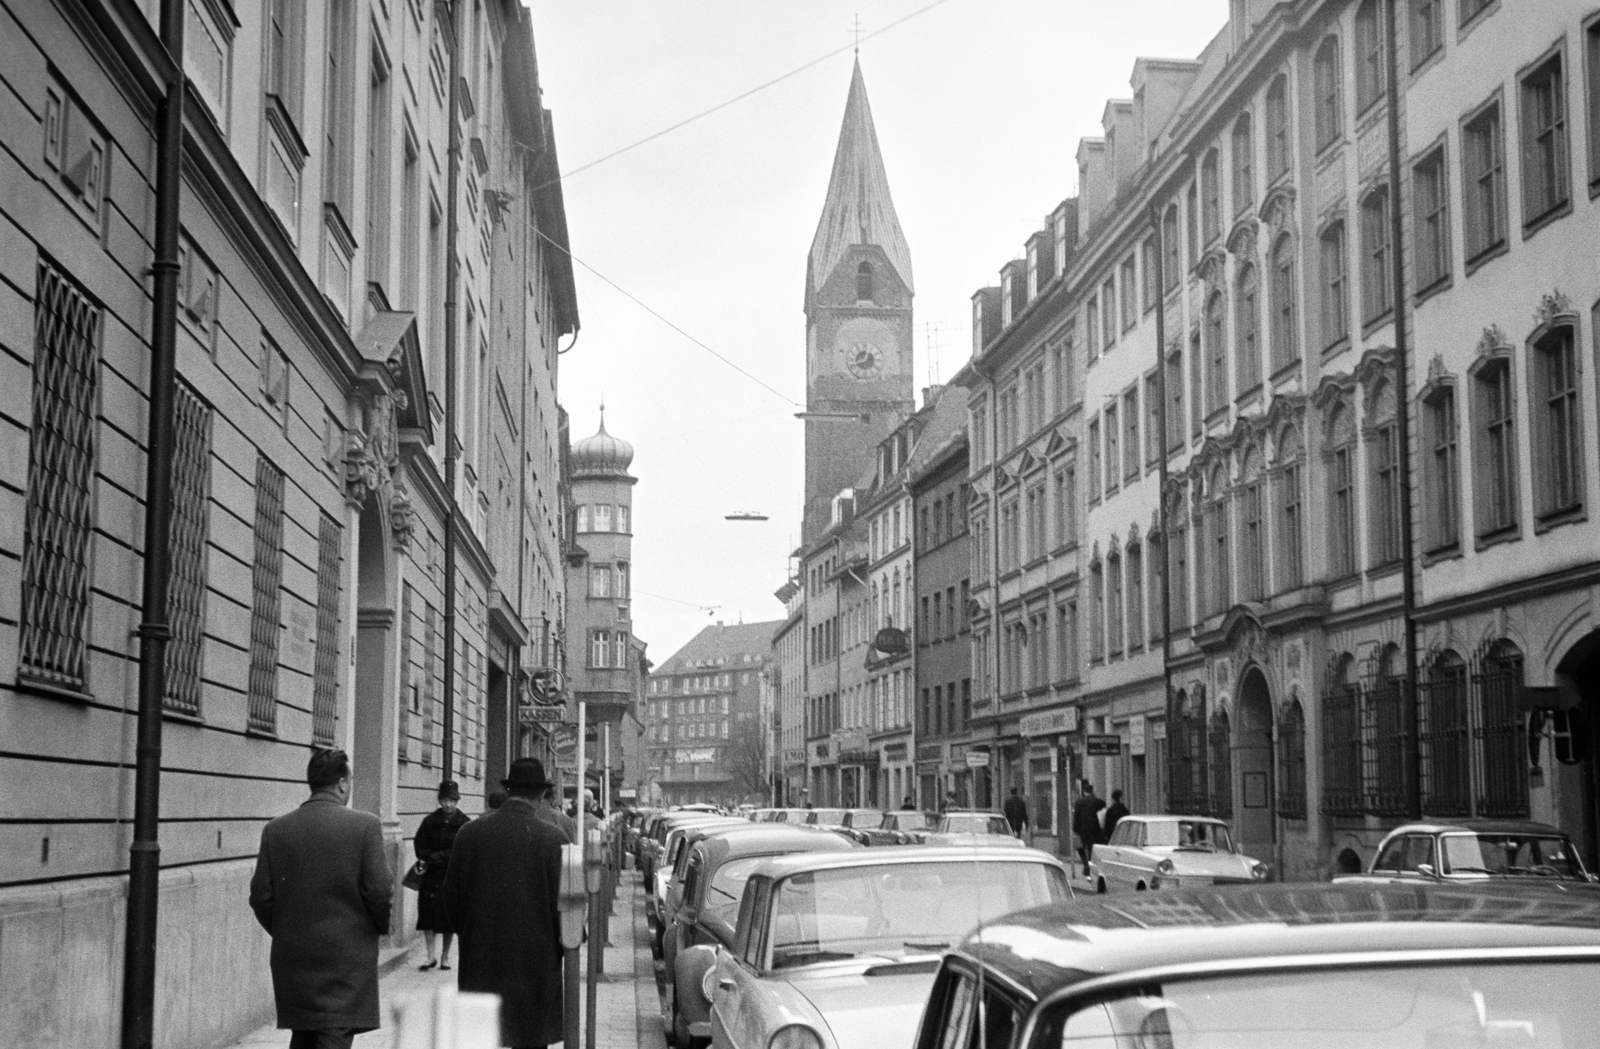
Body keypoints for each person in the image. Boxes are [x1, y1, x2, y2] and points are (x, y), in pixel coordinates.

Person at [248, 749, 391, 1049]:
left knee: (303, 1036)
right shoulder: (365, 826)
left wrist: (289, 931)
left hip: (294, 961)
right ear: (341, 783)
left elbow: (261, 897)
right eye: (350, 780)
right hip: (346, 960)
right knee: (333, 1036)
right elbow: (379, 891)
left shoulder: (276, 830)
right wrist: (375, 929)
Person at [444, 758, 566, 1049]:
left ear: (509, 791)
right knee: (530, 1040)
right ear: (540, 796)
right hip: (534, 964)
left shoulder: (469, 834)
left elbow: (451, 902)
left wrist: (472, 933)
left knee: (482, 1038)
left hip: (481, 960)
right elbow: (566, 913)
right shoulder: (554, 839)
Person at [414, 780, 470, 971]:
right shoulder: (429, 821)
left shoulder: (464, 823)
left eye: (452, 800)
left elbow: (464, 849)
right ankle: (430, 956)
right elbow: (419, 844)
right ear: (439, 800)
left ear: (457, 801)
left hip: (450, 876)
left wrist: (444, 856)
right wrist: (429, 856)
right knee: (428, 915)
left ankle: (445, 956)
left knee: (448, 917)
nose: (448, 804)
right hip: (431, 875)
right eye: (445, 800)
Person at [1070, 783, 1106, 875]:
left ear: (1083, 791)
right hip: (1094, 830)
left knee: (1080, 848)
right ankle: (1090, 867)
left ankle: (1086, 865)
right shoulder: (1096, 801)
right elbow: (1103, 805)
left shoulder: (1079, 802)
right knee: (1091, 849)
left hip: (1082, 831)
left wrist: (1075, 829)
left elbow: (1076, 816)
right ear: (1092, 791)